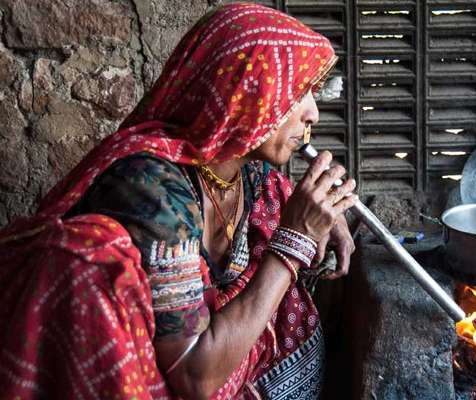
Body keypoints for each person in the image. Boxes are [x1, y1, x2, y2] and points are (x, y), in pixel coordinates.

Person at [0, 4, 358, 399]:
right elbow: (194, 376)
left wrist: (330, 214)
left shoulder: (242, 171)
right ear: (246, 93)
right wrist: (295, 240)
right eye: (297, 92)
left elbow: (279, 195)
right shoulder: (151, 189)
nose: (314, 113)